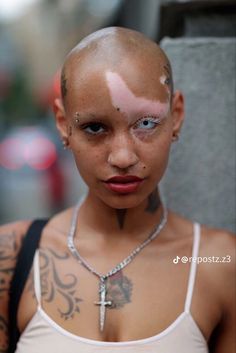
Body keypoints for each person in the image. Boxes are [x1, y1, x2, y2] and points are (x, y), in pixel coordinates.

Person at [0, 27, 235, 353]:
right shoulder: (10, 257)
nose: (123, 157)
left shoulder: (221, 261)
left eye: (147, 123)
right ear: (63, 124)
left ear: (176, 116)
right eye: (94, 128)